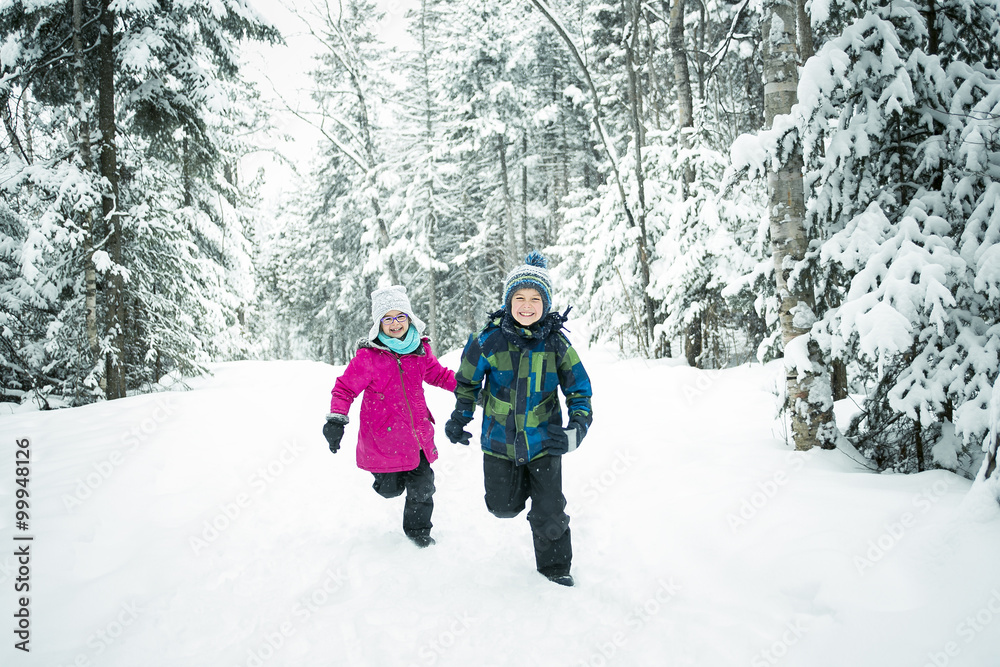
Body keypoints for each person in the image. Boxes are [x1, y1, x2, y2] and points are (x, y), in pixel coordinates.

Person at [444, 252, 593, 586]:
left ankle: (555, 568)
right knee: (502, 507)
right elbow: (467, 383)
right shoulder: (487, 340)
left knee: (549, 510)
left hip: (544, 440)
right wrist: (459, 416)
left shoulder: (556, 344)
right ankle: (520, 487)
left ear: (546, 303)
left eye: (536, 299)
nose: (527, 306)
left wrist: (576, 429)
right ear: (508, 301)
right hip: (499, 442)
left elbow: (579, 390)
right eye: (520, 298)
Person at [323, 285, 456, 548]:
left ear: (409, 318)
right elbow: (345, 388)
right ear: (379, 324)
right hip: (382, 438)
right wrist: (336, 419)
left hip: (416, 435)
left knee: (423, 486)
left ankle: (418, 532)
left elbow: (439, 375)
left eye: (400, 317)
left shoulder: (420, 351)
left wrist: (469, 388)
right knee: (390, 489)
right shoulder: (368, 358)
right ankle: (388, 480)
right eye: (388, 318)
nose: (395, 323)